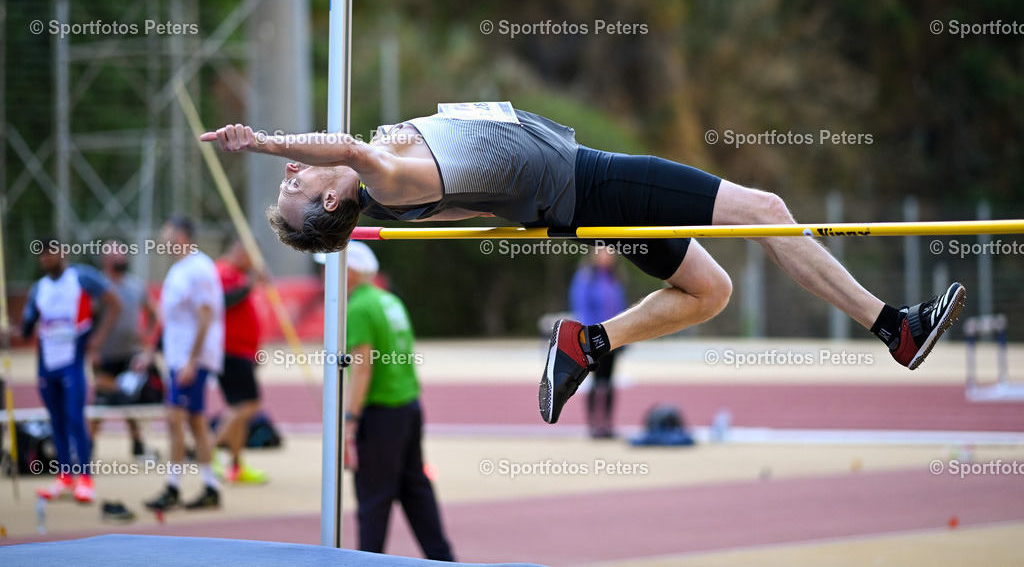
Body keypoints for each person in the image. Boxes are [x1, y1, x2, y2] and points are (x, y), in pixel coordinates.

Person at [201, 101, 968, 424]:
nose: (293, 172)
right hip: (594, 183)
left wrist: (530, 210)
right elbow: (342, 146)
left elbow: (482, 198)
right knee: (767, 209)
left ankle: (588, 342)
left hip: (576, 200)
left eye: (289, 175)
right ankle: (894, 327)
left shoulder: (390, 175)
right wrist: (261, 141)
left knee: (710, 289)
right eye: (297, 186)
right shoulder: (387, 177)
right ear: (334, 201)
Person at [342, 241, 455, 561]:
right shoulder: (389, 300)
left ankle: (368, 561)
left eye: (333, 270)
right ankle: (444, 559)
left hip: (381, 412)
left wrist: (350, 419)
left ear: (350, 272)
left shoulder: (359, 308)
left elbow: (362, 368)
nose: (327, 279)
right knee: (415, 490)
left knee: (374, 498)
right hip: (407, 405)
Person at [21, 236, 122, 503]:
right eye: (42, 254)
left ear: (63, 253)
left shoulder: (81, 278)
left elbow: (114, 303)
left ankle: (85, 479)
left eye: (51, 253)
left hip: (72, 362)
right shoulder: (38, 289)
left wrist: (98, 339)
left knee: (75, 417)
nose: (46, 258)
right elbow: (27, 326)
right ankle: (64, 476)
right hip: (47, 364)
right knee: (56, 420)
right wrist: (19, 327)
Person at [145, 216, 225, 511]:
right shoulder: (179, 269)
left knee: (175, 418)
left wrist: (192, 361)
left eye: (166, 234)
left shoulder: (198, 268)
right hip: (180, 357)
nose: (162, 240)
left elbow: (206, 315)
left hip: (192, 359)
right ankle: (210, 486)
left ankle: (173, 486)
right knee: (196, 421)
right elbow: (171, 318)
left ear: (181, 236)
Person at [89, 243, 160, 458]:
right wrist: (93, 348)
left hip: (130, 353)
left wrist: (146, 335)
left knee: (130, 400)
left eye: (123, 253)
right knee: (101, 401)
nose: (121, 258)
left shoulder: (136, 286)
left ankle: (137, 443)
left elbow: (154, 312)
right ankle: (88, 446)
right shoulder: (99, 287)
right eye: (115, 255)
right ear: (105, 260)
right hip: (105, 355)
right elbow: (90, 319)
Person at [213, 241, 268, 484]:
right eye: (251, 256)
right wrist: (250, 283)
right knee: (248, 405)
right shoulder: (223, 271)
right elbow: (223, 301)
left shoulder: (238, 275)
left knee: (240, 406)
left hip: (242, 351)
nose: (254, 262)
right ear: (239, 251)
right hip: (229, 350)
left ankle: (236, 464)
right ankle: (211, 449)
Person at [570, 248, 628, 438]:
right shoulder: (586, 277)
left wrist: (625, 334)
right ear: (594, 254)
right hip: (594, 337)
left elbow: (620, 308)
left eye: (610, 252)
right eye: (603, 251)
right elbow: (582, 308)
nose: (607, 255)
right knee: (595, 381)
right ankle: (593, 425)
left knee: (609, 382)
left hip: (614, 337)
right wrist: (588, 336)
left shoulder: (615, 277)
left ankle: (608, 424)